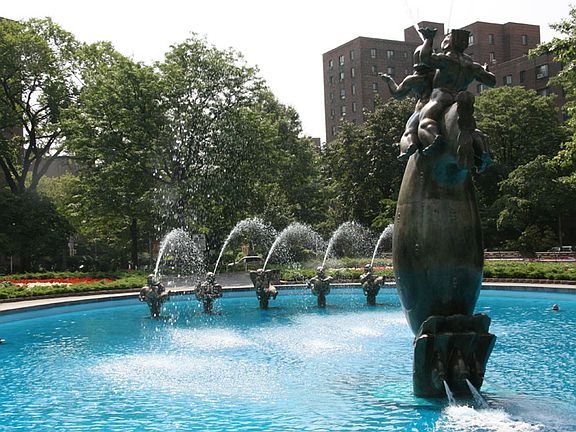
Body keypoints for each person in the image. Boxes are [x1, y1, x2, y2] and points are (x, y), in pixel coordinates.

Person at [416, 28, 496, 155]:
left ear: (449, 43)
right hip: (459, 99)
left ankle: (434, 140)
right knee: (472, 129)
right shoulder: (472, 66)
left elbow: (425, 58)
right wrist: (485, 71)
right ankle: (482, 151)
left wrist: (428, 39)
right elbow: (492, 81)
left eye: (446, 38)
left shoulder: (446, 60)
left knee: (425, 121)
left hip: (441, 97)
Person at [379, 29, 435, 161]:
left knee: (409, 129)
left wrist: (389, 81)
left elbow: (398, 94)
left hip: (423, 108)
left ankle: (411, 144)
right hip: (443, 103)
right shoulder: (440, 74)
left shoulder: (414, 79)